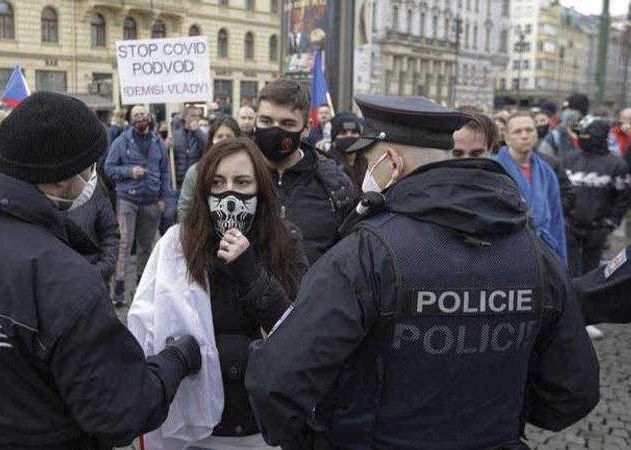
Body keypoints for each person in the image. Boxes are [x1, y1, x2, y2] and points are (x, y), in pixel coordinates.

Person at [245, 95, 600, 449]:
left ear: (392, 162)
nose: (364, 173)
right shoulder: (535, 253)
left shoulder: (363, 255)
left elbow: (276, 383)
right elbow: (573, 391)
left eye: (369, 162)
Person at [0, 92, 201, 449]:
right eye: (90, 166)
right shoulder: (67, 278)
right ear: (66, 179)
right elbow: (119, 412)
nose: (94, 175)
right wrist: (176, 359)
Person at [129, 138, 307, 450]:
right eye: (218, 182)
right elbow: (146, 329)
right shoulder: (178, 245)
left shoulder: (285, 241)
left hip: (261, 428)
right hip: (194, 430)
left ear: (259, 190)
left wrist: (250, 275)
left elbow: (299, 329)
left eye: (242, 183)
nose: (229, 195)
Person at [253, 79, 355, 264]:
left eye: (287, 124)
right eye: (266, 121)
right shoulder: (233, 178)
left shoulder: (335, 185)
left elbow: (348, 259)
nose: (275, 131)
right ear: (256, 120)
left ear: (306, 128)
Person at [104, 104, 172, 307]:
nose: (140, 117)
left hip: (151, 202)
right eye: (136, 115)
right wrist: (129, 172)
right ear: (130, 119)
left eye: (143, 114)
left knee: (146, 247)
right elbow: (108, 168)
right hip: (128, 201)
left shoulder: (158, 142)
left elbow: (165, 172)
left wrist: (163, 198)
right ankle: (119, 288)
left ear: (149, 117)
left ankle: (142, 289)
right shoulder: (121, 142)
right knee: (124, 244)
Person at [494, 112, 567, 263]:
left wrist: (561, 262)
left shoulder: (547, 172)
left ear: (536, 133)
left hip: (544, 250)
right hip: (506, 250)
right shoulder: (494, 168)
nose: (525, 135)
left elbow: (556, 220)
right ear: (506, 137)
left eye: (529, 130)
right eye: (517, 131)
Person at [564, 115, 631, 277]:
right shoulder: (569, 159)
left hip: (597, 229)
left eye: (587, 135)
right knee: (567, 272)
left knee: (592, 274)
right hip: (569, 227)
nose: (582, 138)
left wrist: (609, 225)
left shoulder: (617, 165)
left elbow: (623, 198)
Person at [64, 164, 120, 288]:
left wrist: (104, 268)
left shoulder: (94, 188)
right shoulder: (42, 190)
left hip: (94, 280)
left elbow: (110, 232)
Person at [177, 118, 244, 219]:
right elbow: (184, 209)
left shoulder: (248, 171)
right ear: (211, 140)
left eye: (229, 136)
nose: (224, 141)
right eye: (219, 136)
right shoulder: (196, 172)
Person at [326, 112, 367, 188]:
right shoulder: (327, 165)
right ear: (334, 139)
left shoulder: (368, 162)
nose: (349, 135)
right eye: (343, 133)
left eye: (354, 132)